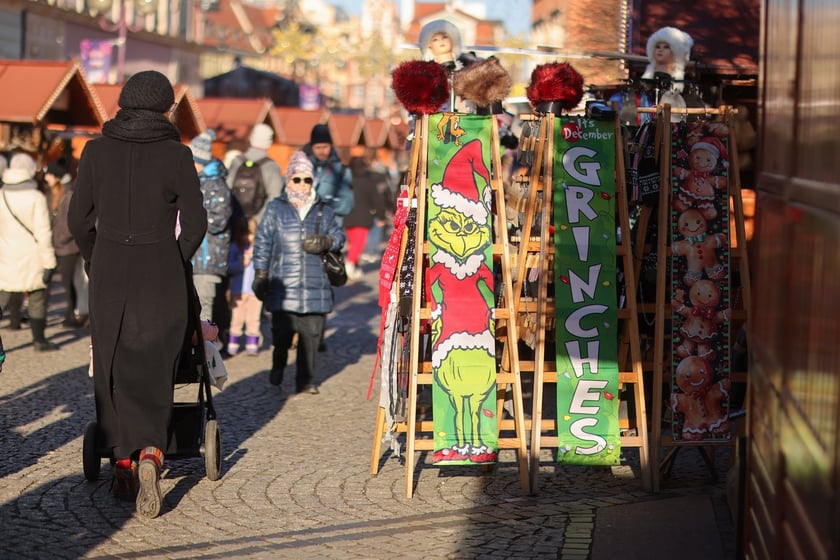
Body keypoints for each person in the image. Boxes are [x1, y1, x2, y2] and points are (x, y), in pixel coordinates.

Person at [68, 70, 207, 519]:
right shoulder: (176, 154)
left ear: (124, 103)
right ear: (167, 108)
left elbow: (78, 221)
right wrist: (175, 258)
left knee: (111, 362)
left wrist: (95, 259)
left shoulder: (95, 151)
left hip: (110, 267)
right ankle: (152, 452)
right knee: (155, 363)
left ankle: (124, 462)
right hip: (160, 269)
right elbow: (198, 222)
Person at [252, 151, 345, 395]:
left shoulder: (324, 209)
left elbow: (339, 236)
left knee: (311, 338)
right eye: (297, 179)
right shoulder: (276, 208)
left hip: (316, 284)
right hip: (284, 284)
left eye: (307, 180)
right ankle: (278, 366)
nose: (302, 185)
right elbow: (263, 242)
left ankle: (305, 381)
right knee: (282, 336)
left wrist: (327, 241)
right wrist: (261, 273)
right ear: (288, 180)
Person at [0, 152, 58, 352]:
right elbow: (44, 232)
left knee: (2, 297)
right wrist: (50, 261)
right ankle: (39, 341)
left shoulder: (1, 195)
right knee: (36, 297)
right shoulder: (36, 197)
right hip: (33, 256)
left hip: (7, 255)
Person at [188, 129, 234, 322]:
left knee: (204, 310)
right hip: (193, 256)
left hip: (207, 260)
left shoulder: (216, 184)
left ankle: (208, 350)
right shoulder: (196, 181)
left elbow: (219, 221)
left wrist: (189, 217)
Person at [45, 160, 85, 328]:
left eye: (49, 174)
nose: (46, 176)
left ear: (56, 177)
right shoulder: (50, 194)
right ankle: (41, 313)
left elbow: (68, 223)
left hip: (67, 247)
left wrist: (59, 239)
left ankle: (72, 314)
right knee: (47, 280)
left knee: (68, 283)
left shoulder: (67, 195)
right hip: (55, 245)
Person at [226, 123, 283, 224]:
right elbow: (275, 198)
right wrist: (256, 221)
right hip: (258, 226)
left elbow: (227, 189)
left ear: (252, 138)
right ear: (269, 142)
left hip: (233, 221)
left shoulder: (237, 161)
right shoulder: (272, 166)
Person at [343, 154, 388, 280]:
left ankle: (354, 268)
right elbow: (377, 200)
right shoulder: (369, 181)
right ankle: (350, 264)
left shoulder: (346, 181)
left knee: (352, 244)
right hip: (363, 216)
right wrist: (381, 216)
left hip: (347, 216)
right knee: (358, 244)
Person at [303, 124, 354, 223]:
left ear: (331, 146)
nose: (322, 151)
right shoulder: (302, 169)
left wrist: (322, 205)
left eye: (325, 147)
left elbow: (347, 204)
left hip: (330, 230)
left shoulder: (342, 171)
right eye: (317, 147)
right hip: (305, 229)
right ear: (311, 148)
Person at [227, 217, 261, 356]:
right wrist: (241, 263)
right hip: (238, 290)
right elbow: (229, 268)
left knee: (253, 318)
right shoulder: (235, 248)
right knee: (237, 318)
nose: (248, 237)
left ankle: (252, 344)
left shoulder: (258, 249)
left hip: (254, 291)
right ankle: (233, 344)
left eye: (251, 234)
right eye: (245, 234)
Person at [641, 26, 694, 94]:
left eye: (666, 47)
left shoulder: (684, 86)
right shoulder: (643, 82)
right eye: (657, 47)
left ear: (676, 52)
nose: (660, 50)